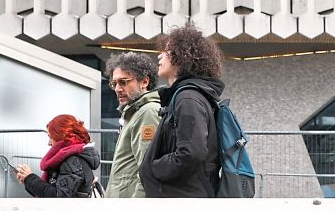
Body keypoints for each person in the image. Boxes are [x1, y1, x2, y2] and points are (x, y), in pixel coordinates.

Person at [139, 24, 224, 198]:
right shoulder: (187, 96)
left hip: (184, 203)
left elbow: (190, 153)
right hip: (184, 199)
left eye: (166, 50)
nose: (160, 55)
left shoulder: (188, 98)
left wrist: (153, 167)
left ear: (181, 57)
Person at [104, 52, 159, 199]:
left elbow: (148, 170)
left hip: (130, 210)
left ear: (144, 82)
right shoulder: (134, 112)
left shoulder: (147, 112)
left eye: (124, 82)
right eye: (114, 83)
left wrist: (136, 209)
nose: (117, 89)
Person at [14, 114, 100, 198]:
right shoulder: (69, 157)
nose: (49, 143)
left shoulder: (72, 161)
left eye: (50, 137)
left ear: (61, 136)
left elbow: (59, 198)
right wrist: (27, 179)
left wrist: (30, 178)